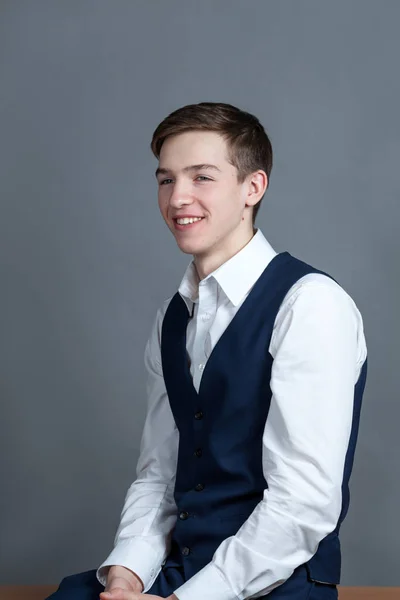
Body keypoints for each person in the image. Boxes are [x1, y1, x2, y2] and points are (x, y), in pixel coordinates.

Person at [46, 102, 367, 600]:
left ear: (252, 188)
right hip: (181, 574)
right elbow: (160, 475)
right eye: (166, 179)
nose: (179, 198)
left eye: (202, 177)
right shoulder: (172, 319)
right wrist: (127, 577)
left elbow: (302, 503)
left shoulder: (311, 305)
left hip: (272, 583)